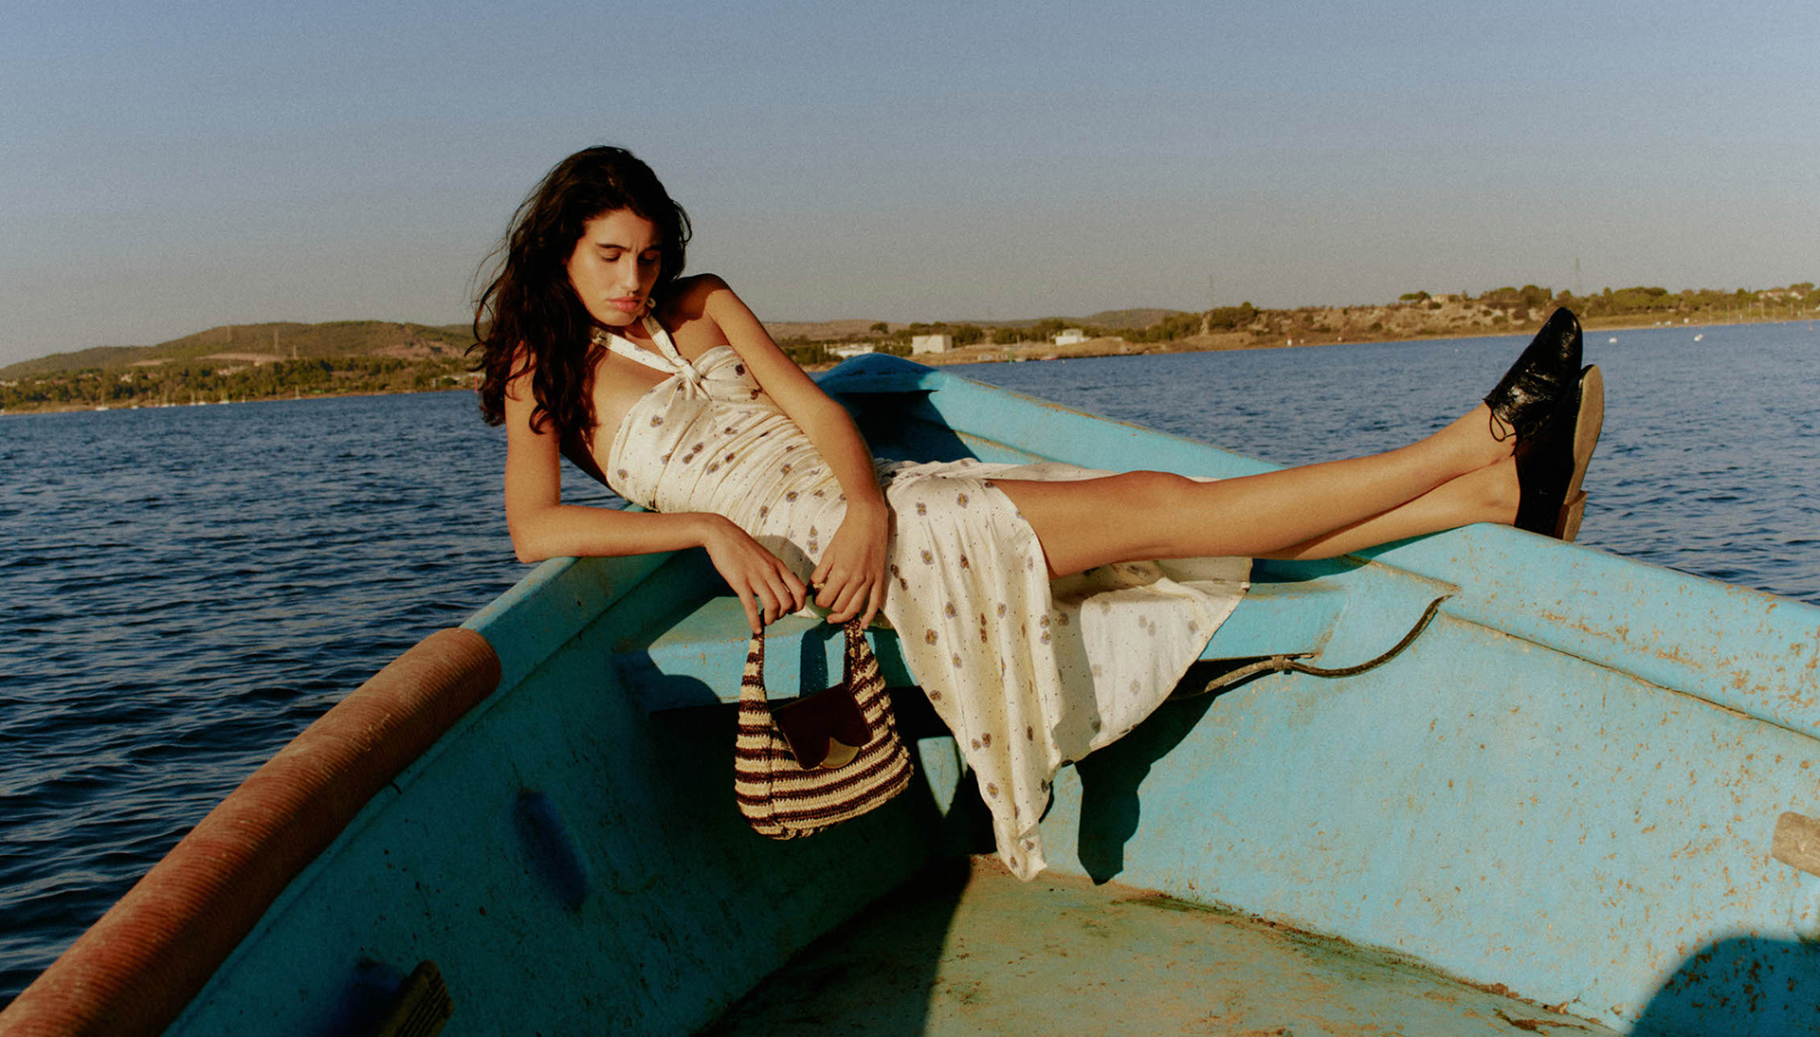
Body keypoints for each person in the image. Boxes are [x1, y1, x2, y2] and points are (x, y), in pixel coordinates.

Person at [473, 146, 1602, 877]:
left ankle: (1489, 494)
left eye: (646, 256)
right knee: (1165, 511)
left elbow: (817, 414)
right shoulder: (542, 367)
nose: (631, 279)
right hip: (816, 545)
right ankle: (1474, 445)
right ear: (561, 248)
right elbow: (537, 527)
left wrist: (865, 502)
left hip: (878, 509)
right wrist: (706, 529)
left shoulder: (704, 303)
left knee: (1172, 519)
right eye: (609, 256)